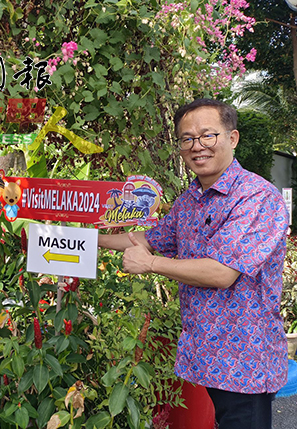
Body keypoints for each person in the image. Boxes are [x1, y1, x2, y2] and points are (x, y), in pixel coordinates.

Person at [98, 99, 289, 429]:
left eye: (207, 136)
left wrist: (151, 264)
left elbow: (222, 272)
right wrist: (81, 238)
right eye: (187, 139)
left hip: (244, 361)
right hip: (207, 354)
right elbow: (147, 240)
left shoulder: (257, 197)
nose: (196, 146)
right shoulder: (189, 201)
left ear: (232, 138)